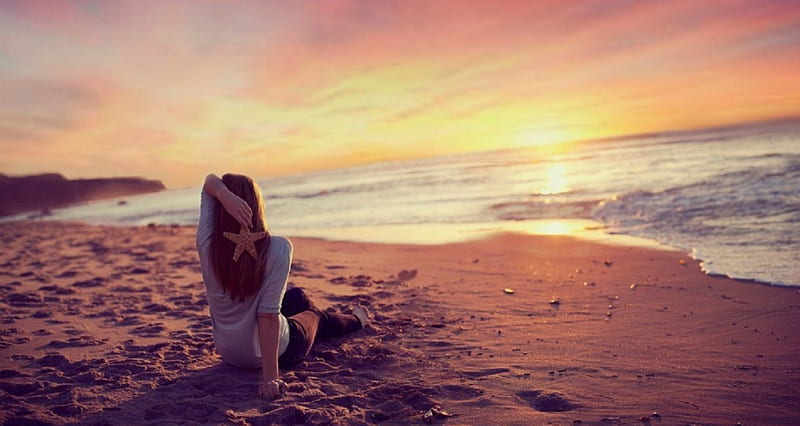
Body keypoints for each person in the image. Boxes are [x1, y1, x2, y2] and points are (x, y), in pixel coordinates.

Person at [195, 173, 368, 400]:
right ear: (255, 206)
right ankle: (357, 320)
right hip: (281, 350)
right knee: (315, 315)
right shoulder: (277, 248)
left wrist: (224, 194)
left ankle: (309, 310)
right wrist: (270, 379)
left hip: (229, 352)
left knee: (296, 296)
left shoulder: (207, 242)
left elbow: (209, 182)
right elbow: (267, 316)